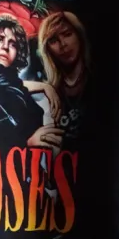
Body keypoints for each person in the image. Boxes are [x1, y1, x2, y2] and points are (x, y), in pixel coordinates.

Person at [0, 14, 64, 151]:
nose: (5, 47)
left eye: (13, 44)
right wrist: (27, 142)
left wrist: (44, 87)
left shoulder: (13, 84)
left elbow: (11, 84)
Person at [37, 11, 90, 148]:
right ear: (47, 49)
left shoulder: (98, 80)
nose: (63, 44)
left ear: (79, 35)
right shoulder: (46, 89)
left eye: (67, 34)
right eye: (54, 40)